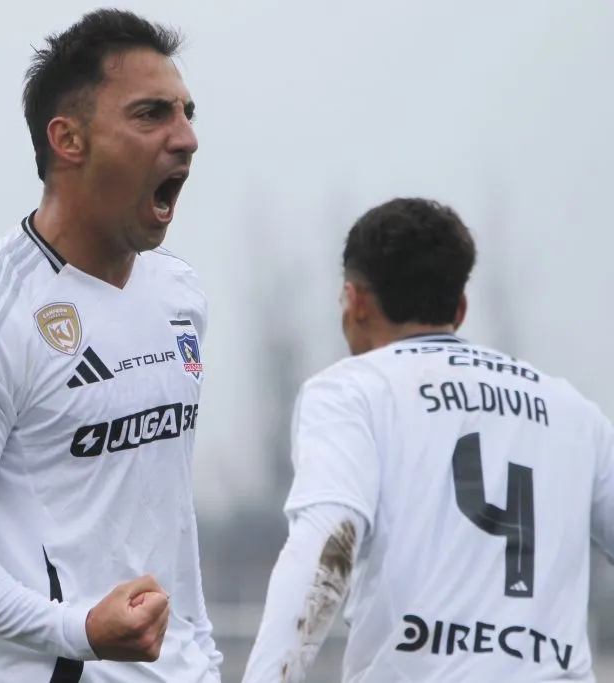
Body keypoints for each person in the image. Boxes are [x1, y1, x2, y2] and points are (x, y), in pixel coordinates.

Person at [0, 8, 222, 683]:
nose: (185, 138)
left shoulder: (179, 296)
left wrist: (202, 653)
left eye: (187, 112)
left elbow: (163, 522)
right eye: (151, 114)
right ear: (68, 139)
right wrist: (77, 630)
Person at [241, 197, 614, 682]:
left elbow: (326, 547)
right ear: (459, 308)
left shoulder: (352, 391)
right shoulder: (574, 412)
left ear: (354, 302)